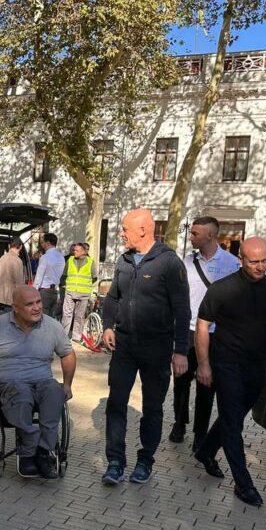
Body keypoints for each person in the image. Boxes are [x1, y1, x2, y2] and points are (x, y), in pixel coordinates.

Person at [195, 237, 266, 507]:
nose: (260, 267)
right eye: (254, 261)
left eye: (264, 261)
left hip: (257, 366)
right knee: (233, 423)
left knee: (232, 416)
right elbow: (203, 325)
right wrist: (204, 364)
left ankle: (205, 451)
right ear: (241, 260)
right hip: (226, 364)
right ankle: (244, 484)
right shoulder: (222, 289)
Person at [100, 207, 190, 486]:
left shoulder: (170, 263)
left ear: (143, 229)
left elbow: (182, 309)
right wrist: (107, 326)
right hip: (124, 346)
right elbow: (112, 298)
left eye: (125, 229)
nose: (121, 233)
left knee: (152, 407)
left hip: (157, 348)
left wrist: (181, 351)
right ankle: (115, 462)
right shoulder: (123, 261)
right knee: (116, 403)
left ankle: (145, 460)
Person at [0, 286, 76, 479]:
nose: (36, 308)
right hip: (11, 384)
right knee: (21, 394)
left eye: (38, 302)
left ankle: (44, 451)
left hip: (42, 382)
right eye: (29, 304)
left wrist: (67, 384)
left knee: (54, 391)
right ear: (15, 308)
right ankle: (28, 452)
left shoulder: (52, 326)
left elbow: (68, 353)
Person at [169, 216, 241, 449]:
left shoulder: (231, 264)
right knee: (180, 380)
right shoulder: (187, 262)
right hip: (188, 331)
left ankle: (200, 434)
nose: (191, 237)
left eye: (195, 233)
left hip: (215, 335)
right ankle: (179, 422)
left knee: (206, 385)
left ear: (210, 235)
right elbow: (177, 296)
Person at [61, 242, 98, 342]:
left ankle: (76, 337)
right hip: (70, 292)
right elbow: (64, 275)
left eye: (77, 250)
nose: (74, 252)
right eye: (74, 250)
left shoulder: (90, 262)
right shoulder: (70, 260)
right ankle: (63, 336)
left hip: (83, 294)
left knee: (79, 316)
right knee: (66, 315)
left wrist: (86, 286)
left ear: (83, 252)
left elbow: (94, 277)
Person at [33, 233, 65, 317]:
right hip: (55, 291)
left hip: (45, 291)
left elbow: (39, 276)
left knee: (42, 317)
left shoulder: (45, 257)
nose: (41, 244)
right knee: (51, 318)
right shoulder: (61, 257)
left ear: (48, 243)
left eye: (43, 242)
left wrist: (34, 290)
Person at [0, 238, 25, 315]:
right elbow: (19, 283)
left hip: (1, 297)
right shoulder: (18, 261)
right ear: (20, 247)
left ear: (9, 246)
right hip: (12, 299)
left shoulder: (2, 258)